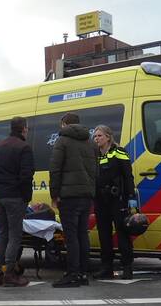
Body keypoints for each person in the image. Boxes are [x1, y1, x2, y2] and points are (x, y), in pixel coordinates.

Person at [49, 112, 97, 288]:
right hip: (86, 195)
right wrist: (91, 191)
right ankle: (83, 273)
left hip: (68, 196)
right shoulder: (91, 143)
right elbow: (95, 170)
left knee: (71, 237)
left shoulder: (62, 141)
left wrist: (54, 195)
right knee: (82, 233)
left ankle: (73, 274)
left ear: (64, 124)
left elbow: (55, 169)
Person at [0, 117, 34, 287]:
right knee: (14, 235)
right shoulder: (24, 147)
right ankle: (10, 274)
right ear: (24, 129)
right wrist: (25, 197)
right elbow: (26, 176)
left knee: (2, 234)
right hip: (14, 197)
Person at [92, 125, 137, 280]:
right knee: (104, 235)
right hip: (100, 200)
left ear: (108, 137)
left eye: (99, 136)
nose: (96, 139)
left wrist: (131, 197)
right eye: (95, 136)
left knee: (122, 233)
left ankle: (127, 266)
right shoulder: (95, 155)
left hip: (118, 199)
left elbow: (128, 176)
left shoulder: (119, 152)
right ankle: (107, 267)